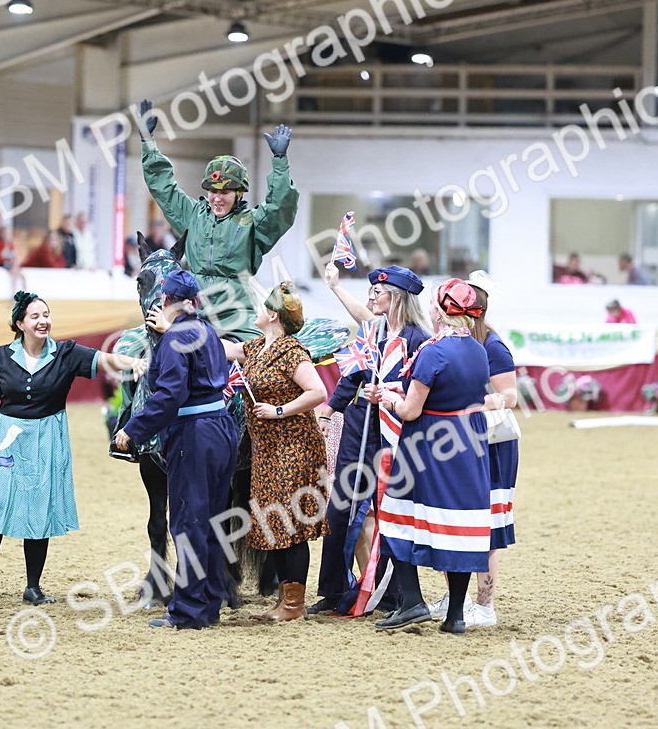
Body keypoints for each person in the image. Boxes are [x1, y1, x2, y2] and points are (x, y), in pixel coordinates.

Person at [0, 292, 144, 605]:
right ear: (20, 323)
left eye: (45, 315)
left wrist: (134, 362)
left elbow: (105, 360)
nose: (42, 321)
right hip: (7, 436)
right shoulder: (1, 357)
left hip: (47, 437)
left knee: (38, 509)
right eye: (34, 316)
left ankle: (33, 587)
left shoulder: (66, 353)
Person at [366, 279, 497, 634]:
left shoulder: (432, 351)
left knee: (395, 516)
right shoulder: (477, 348)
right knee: (460, 527)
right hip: (467, 443)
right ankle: (455, 616)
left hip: (427, 445)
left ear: (438, 310)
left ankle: (413, 601)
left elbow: (410, 410)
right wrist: (403, 388)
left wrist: (387, 398)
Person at [114, 270, 239, 630]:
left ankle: (188, 610)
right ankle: (209, 601)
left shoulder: (173, 340)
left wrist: (132, 429)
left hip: (193, 434)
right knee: (213, 520)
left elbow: (168, 396)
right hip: (220, 428)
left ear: (165, 302)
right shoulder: (208, 332)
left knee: (189, 522)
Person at [309, 264, 431, 616]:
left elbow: (420, 389)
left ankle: (394, 594)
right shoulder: (370, 333)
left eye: (378, 293)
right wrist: (329, 410)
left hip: (397, 430)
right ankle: (333, 590)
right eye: (372, 292)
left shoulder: (417, 340)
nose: (372, 297)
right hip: (360, 423)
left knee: (390, 512)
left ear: (396, 298)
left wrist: (394, 395)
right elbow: (351, 376)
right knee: (341, 506)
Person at [138, 98, 299, 340]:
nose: (217, 198)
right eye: (212, 191)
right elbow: (164, 188)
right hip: (190, 308)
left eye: (224, 192)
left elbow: (281, 207)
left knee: (259, 352)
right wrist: (147, 142)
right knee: (142, 347)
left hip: (237, 313)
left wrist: (280, 162)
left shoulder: (254, 223)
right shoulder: (193, 216)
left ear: (239, 193)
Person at [220, 283, 328, 621]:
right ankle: (285, 600)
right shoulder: (257, 348)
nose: (254, 310)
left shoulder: (291, 351)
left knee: (291, 523)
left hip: (294, 447)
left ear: (272, 316)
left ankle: (294, 604)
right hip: (269, 449)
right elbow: (224, 349)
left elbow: (318, 391)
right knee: (276, 521)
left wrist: (280, 410)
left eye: (259, 306)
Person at [425, 270, 519, 627]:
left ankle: (484, 605)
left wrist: (489, 401)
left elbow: (511, 393)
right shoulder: (449, 342)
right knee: (455, 520)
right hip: (460, 443)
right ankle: (456, 598)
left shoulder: (491, 345)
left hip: (492, 444)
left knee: (488, 524)